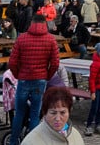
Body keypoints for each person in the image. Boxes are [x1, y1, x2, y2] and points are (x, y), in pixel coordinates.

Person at [8, 14, 62, 145]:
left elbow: (12, 62)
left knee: (19, 113)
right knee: (35, 113)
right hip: (40, 80)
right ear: (45, 23)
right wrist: (47, 76)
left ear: (31, 23)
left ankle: (13, 141)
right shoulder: (50, 40)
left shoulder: (22, 38)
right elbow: (55, 63)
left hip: (24, 79)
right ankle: (33, 142)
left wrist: (17, 75)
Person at [20, 86, 84, 145]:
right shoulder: (31, 142)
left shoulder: (75, 135)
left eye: (62, 113)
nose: (58, 118)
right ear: (44, 113)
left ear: (69, 112)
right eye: (53, 113)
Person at [84, 43, 100, 136]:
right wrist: (93, 92)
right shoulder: (95, 64)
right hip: (96, 89)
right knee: (94, 107)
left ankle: (98, 124)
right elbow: (92, 79)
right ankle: (89, 125)